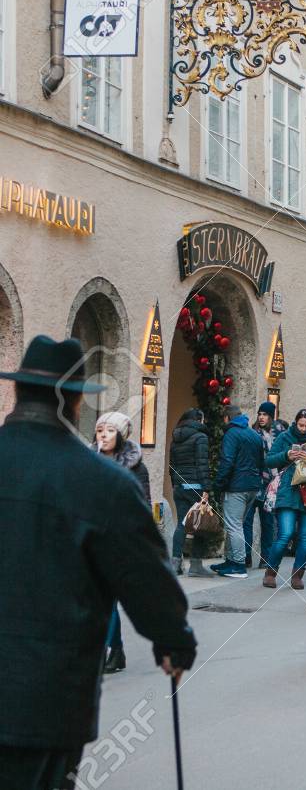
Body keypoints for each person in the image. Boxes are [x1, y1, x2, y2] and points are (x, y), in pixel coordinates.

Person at [0, 336, 196, 790]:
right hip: (45, 697)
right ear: (73, 402)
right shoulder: (101, 482)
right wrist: (173, 638)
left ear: (18, 391)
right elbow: (145, 578)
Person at [94, 411, 151, 673]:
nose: (104, 435)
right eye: (100, 430)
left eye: (110, 430)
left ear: (121, 434)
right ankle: (112, 649)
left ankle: (112, 650)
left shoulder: (135, 466)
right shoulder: (87, 461)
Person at [262, 409, 306, 591]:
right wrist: (287, 456)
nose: (304, 429)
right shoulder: (285, 437)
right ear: (296, 423)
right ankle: (270, 572)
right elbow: (269, 460)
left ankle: (298, 575)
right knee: (286, 533)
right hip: (288, 492)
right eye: (301, 425)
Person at [211, 404, 265, 578]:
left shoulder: (231, 434)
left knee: (233, 526)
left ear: (227, 418)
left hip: (236, 487)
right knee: (237, 525)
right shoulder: (254, 434)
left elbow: (227, 461)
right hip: (252, 486)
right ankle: (231, 561)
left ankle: (238, 565)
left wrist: (218, 485)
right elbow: (260, 461)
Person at [167, 407, 209, 576]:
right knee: (201, 525)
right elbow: (202, 464)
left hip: (180, 486)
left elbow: (172, 466)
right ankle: (196, 565)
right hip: (196, 486)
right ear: (199, 420)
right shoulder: (201, 437)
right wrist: (206, 488)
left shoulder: (175, 438)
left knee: (182, 525)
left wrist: (175, 484)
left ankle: (175, 563)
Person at [247, 401, 286, 569]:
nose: (261, 417)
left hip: (271, 484)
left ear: (271, 416)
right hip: (254, 482)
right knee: (246, 520)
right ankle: (246, 556)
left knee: (268, 522)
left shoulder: (280, 433)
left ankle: (266, 557)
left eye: (265, 415)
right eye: (260, 414)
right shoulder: (252, 432)